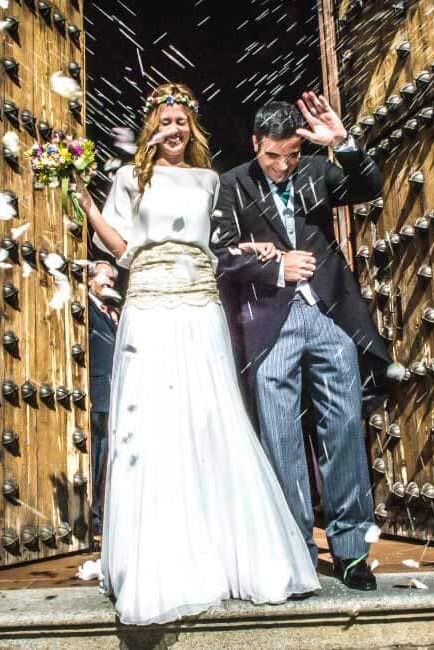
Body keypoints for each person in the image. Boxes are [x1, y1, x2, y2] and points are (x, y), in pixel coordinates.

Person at [76, 83, 320, 626]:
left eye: (182, 121)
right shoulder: (128, 178)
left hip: (200, 304)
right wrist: (90, 208)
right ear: (150, 128)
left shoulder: (212, 180)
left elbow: (219, 243)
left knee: (213, 418)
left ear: (192, 128)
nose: (174, 129)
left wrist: (252, 248)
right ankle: (159, 560)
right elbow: (120, 247)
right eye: (164, 121)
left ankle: (232, 554)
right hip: (149, 304)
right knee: (154, 425)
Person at [211, 94, 389, 591]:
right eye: (273, 156)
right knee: (282, 442)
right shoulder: (231, 184)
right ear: (255, 144)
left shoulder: (316, 170)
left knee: (344, 432)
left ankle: (352, 551)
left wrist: (345, 144)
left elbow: (370, 187)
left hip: (330, 317)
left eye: (291, 154)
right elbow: (220, 254)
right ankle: (297, 550)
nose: (283, 165)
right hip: (269, 326)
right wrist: (273, 266)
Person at [87, 260, 118, 538]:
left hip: (110, 393)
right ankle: (92, 518)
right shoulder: (84, 309)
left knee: (106, 456)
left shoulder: (110, 313)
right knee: (94, 455)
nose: (110, 283)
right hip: (96, 392)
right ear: (89, 280)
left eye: (112, 280)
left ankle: (100, 514)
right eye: (105, 278)